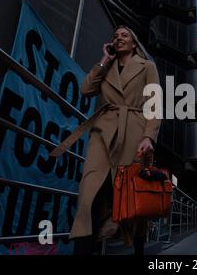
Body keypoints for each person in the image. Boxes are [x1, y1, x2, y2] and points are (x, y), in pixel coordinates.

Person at [50, 25, 161, 255]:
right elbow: (86, 89)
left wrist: (149, 136)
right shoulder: (106, 66)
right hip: (103, 132)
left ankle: (135, 245)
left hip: (134, 133)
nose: (118, 38)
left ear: (133, 43)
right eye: (115, 36)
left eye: (124, 35)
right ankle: (85, 247)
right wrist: (104, 59)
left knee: (132, 194)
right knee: (89, 192)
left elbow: (154, 104)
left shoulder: (147, 67)